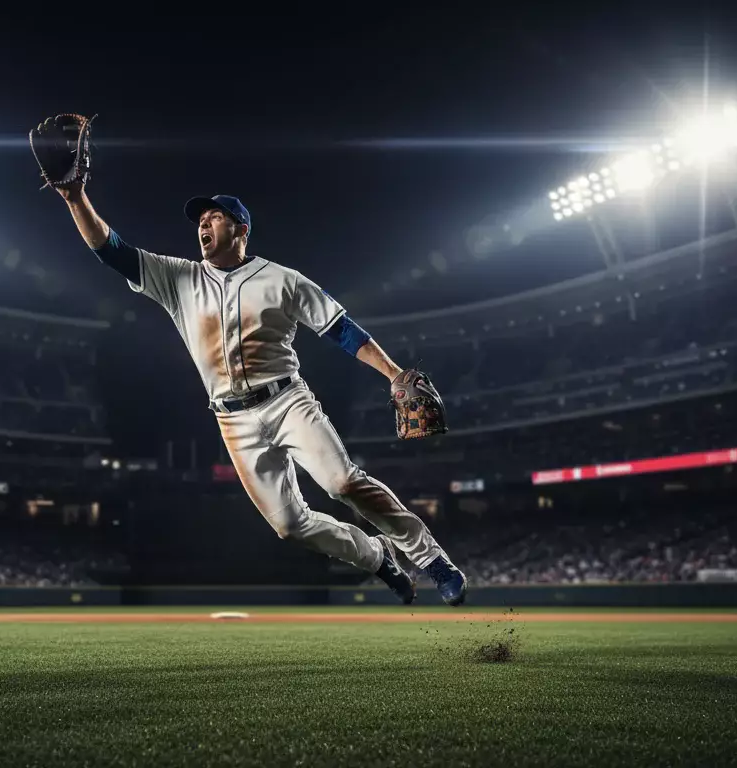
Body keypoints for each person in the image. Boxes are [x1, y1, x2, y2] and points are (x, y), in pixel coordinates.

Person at [52, 183, 467, 606]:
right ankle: (376, 556)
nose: (203, 225)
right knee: (289, 526)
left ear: (241, 229)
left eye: (214, 218)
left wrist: (393, 373)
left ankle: (433, 560)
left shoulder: (281, 279)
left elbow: (340, 329)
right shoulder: (179, 278)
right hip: (232, 420)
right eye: (200, 221)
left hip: (287, 401)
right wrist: (75, 198)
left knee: (342, 482)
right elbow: (111, 250)